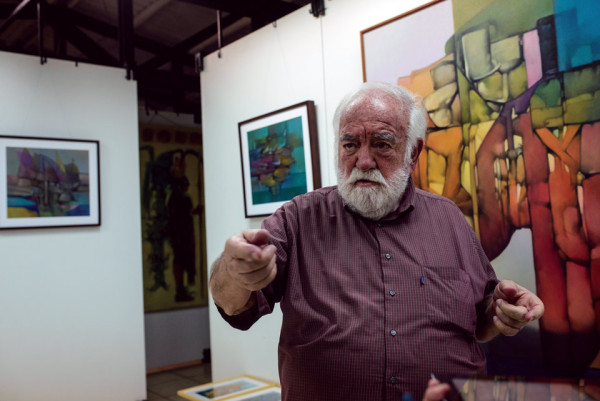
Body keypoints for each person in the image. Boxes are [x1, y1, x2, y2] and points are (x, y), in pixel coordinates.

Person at [209, 82, 544, 401]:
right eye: (350, 145)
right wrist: (234, 269)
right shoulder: (298, 218)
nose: (364, 161)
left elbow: (481, 320)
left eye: (382, 144)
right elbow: (232, 304)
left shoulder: (449, 219)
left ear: (413, 153)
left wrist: (500, 309)